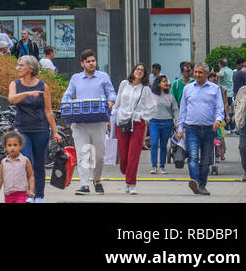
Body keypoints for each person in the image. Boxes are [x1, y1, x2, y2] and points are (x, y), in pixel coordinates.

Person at [8, 54, 62, 202]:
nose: (18, 68)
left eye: (21, 65)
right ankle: (29, 193)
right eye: (18, 65)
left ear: (31, 68)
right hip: (22, 129)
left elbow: (48, 110)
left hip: (40, 129)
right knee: (27, 161)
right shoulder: (15, 84)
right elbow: (11, 99)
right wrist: (26, 93)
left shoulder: (42, 86)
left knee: (39, 164)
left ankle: (39, 195)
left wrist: (55, 131)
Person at [63, 49, 115, 195]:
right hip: (80, 122)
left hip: (98, 122)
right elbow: (68, 94)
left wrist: (111, 100)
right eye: (88, 61)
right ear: (82, 63)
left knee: (99, 155)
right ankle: (84, 185)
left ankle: (96, 179)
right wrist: (65, 100)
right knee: (83, 153)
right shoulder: (75, 78)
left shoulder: (103, 77)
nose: (92, 63)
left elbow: (111, 92)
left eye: (93, 61)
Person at [177, 62, 224, 196]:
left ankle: (202, 185)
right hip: (192, 129)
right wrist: (180, 127)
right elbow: (183, 110)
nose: (197, 75)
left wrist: (218, 120)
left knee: (205, 160)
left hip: (209, 129)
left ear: (207, 74)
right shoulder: (188, 88)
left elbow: (219, 108)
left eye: (200, 72)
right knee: (192, 157)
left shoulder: (215, 89)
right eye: (195, 72)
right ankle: (196, 182)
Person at [113, 63, 153, 194]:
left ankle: (131, 183)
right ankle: (127, 173)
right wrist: (113, 117)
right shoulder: (124, 84)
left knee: (133, 155)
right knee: (123, 157)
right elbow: (117, 103)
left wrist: (142, 116)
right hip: (122, 122)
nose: (139, 71)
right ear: (133, 71)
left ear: (144, 74)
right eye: (137, 69)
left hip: (137, 124)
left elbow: (152, 107)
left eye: (142, 70)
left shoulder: (145, 89)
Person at [147, 74, 178, 174]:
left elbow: (175, 110)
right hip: (154, 122)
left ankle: (162, 166)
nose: (166, 83)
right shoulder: (152, 95)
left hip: (167, 123)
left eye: (166, 81)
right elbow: (147, 107)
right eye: (163, 81)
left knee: (164, 145)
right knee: (154, 143)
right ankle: (154, 166)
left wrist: (177, 122)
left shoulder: (170, 96)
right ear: (158, 83)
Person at [0, 131, 36, 204]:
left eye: (15, 145)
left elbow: (30, 176)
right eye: (9, 145)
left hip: (21, 193)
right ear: (5, 147)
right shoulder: (4, 162)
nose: (12, 148)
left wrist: (31, 190)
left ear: (20, 146)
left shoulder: (25, 160)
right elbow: (0, 179)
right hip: (8, 195)